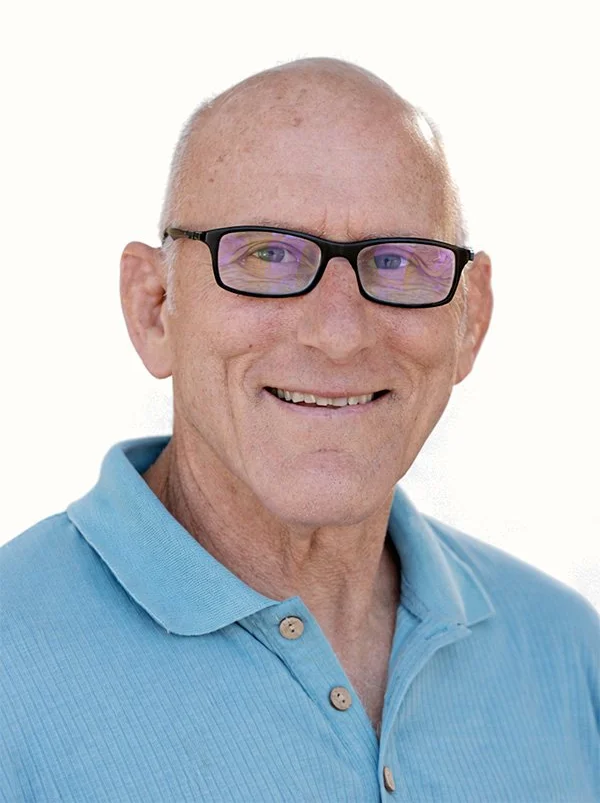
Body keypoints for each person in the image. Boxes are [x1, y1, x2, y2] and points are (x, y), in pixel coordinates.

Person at [1, 57, 598, 803]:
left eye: (397, 261)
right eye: (267, 254)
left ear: (469, 319)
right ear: (154, 306)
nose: (341, 333)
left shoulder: (571, 653)